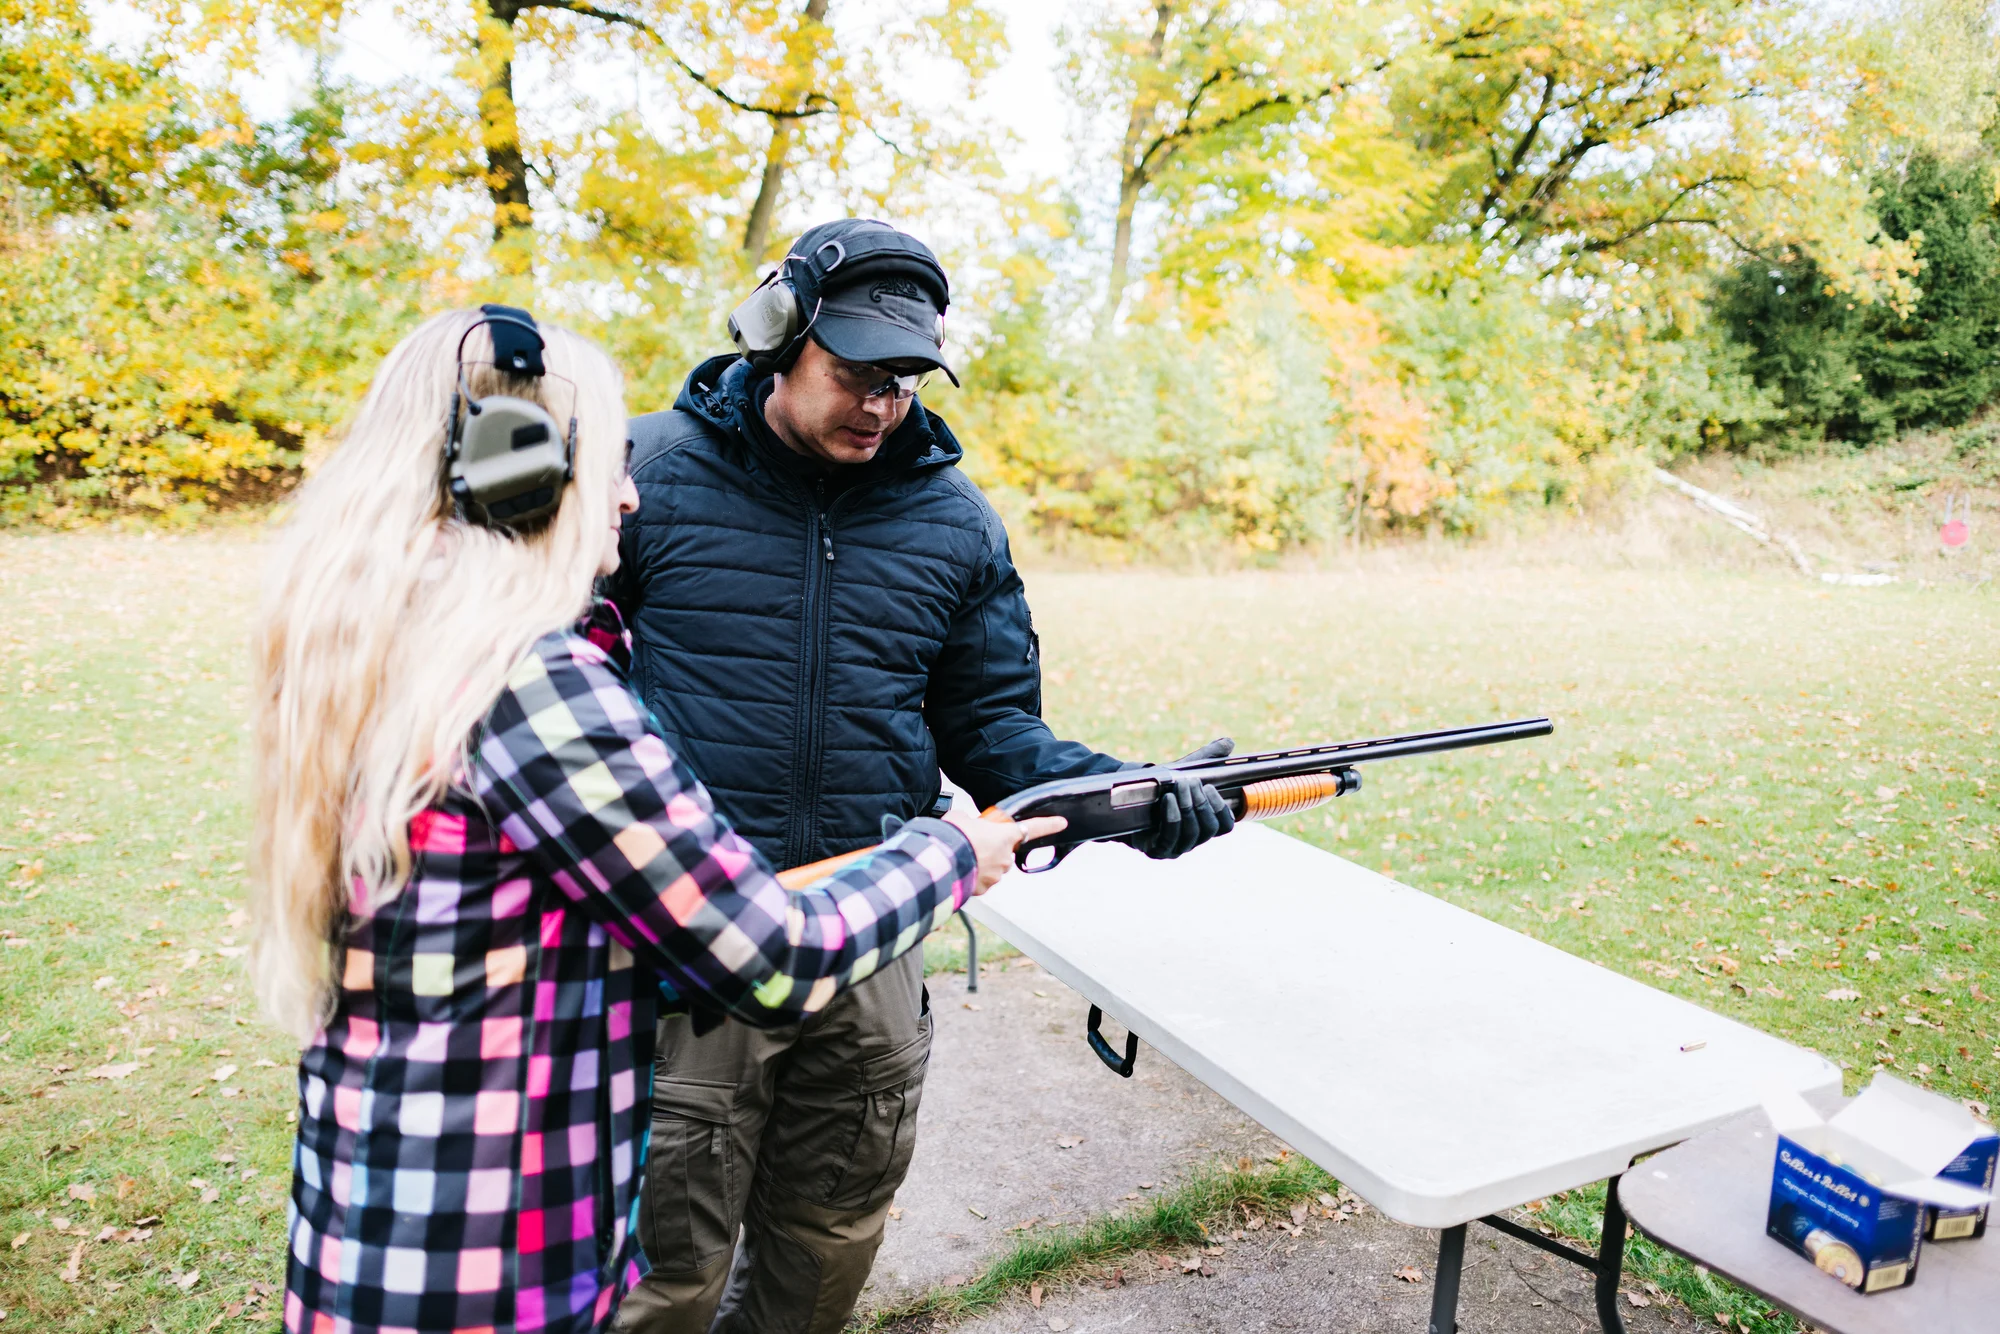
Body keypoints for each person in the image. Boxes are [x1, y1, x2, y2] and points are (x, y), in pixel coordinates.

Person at [247, 306, 1062, 1334]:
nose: (628, 494)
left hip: (382, 1235)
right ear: (514, 472)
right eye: (605, 465)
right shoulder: (528, 687)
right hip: (489, 1276)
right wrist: (949, 851)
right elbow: (771, 953)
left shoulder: (387, 649)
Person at [608, 220, 1234, 1334]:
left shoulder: (953, 522)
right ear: (773, 338)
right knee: (663, 1278)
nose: (880, 403)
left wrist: (1137, 799)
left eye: (902, 377)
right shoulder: (638, 479)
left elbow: (997, 737)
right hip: (687, 949)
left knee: (825, 1248)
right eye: (854, 370)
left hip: (874, 940)